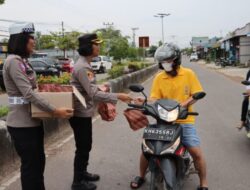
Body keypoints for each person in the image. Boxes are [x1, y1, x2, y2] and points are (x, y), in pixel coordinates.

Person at [3, 22, 73, 190]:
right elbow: (28, 93)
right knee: (31, 168)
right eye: (31, 38)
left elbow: (33, 88)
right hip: (22, 124)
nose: (34, 41)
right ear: (21, 40)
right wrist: (54, 110)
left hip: (32, 121)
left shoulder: (23, 61)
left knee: (37, 164)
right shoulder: (13, 62)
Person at [129, 43, 208, 190]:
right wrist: (144, 102)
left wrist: (182, 105)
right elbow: (154, 98)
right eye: (163, 61)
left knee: (196, 153)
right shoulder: (159, 78)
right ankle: (141, 175)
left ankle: (203, 183)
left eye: (168, 60)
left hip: (184, 119)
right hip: (163, 119)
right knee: (147, 150)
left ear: (176, 59)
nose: (165, 63)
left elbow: (196, 94)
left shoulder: (189, 74)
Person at [69, 33, 132, 190]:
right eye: (96, 44)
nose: (99, 47)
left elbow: (89, 89)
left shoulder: (85, 64)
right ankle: (77, 182)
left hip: (83, 111)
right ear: (89, 47)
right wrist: (118, 96)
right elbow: (92, 93)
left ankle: (82, 173)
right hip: (79, 113)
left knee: (85, 145)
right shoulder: (83, 67)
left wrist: (100, 87)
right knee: (83, 147)